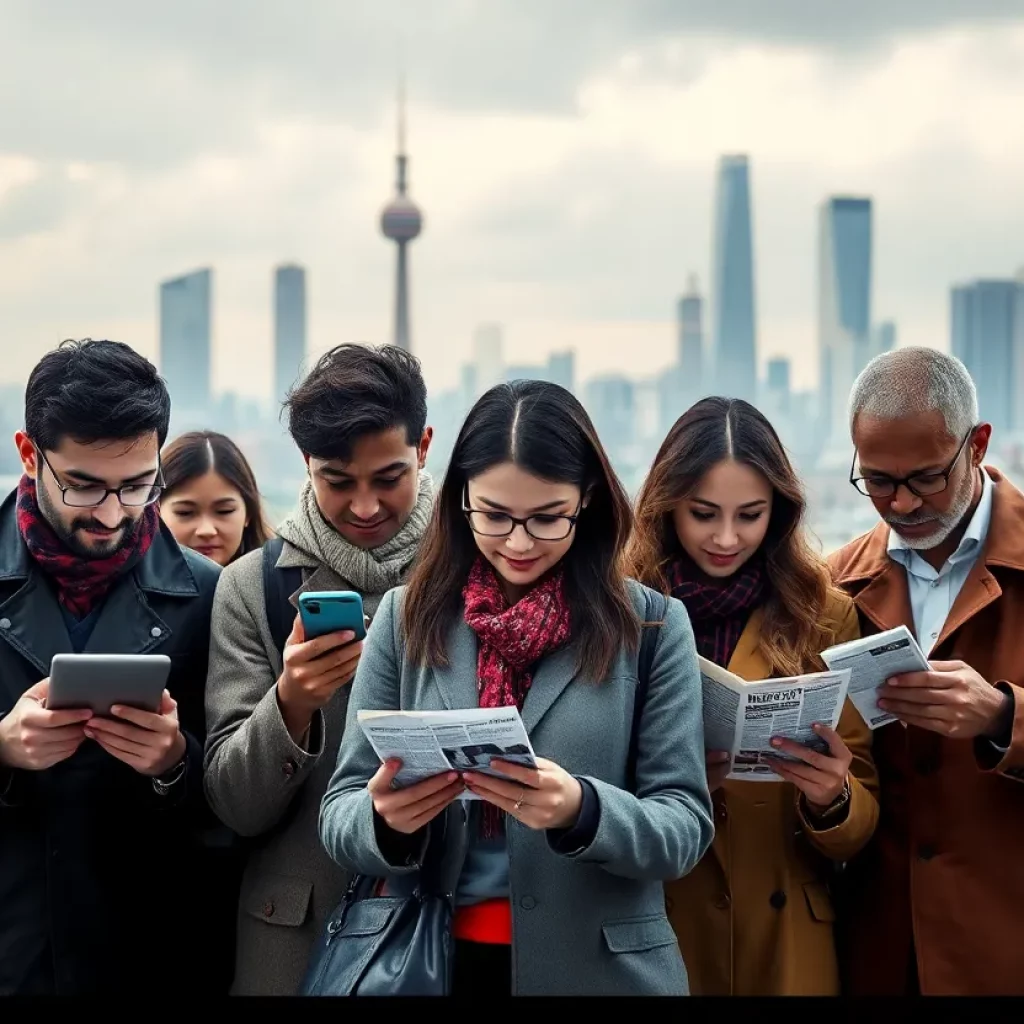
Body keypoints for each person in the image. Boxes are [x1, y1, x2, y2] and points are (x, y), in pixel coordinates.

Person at [319, 380, 715, 997]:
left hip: (599, 971)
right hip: (430, 961)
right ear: (460, 502)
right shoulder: (406, 617)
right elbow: (339, 810)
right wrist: (385, 820)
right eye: (495, 516)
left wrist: (582, 809)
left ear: (586, 501)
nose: (520, 542)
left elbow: (684, 826)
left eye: (547, 518)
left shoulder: (652, 627)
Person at [625, 397, 879, 996]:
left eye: (751, 515)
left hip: (786, 935)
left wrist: (832, 796)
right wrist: (666, 786)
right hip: (664, 923)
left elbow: (863, 816)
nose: (725, 537)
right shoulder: (622, 611)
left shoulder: (824, 614)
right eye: (703, 513)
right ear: (666, 506)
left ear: (780, 512)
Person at [204, 343, 435, 995]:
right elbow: (233, 805)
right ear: (306, 465)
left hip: (438, 919)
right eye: (339, 480)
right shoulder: (253, 588)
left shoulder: (470, 576)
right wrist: (291, 702)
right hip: (297, 938)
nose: (364, 506)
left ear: (424, 446)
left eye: (387, 478)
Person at [0, 339, 222, 995]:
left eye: (137, 486)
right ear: (28, 453)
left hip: (142, 953)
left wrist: (175, 763)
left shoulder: (207, 594)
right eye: (85, 485)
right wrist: (2, 749)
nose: (111, 512)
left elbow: (244, 804)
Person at [830, 346, 1024, 996]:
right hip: (878, 949)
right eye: (878, 481)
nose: (904, 504)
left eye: (926, 478)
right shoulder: (832, 585)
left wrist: (1004, 716)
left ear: (978, 444)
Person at [161, 430, 272, 566]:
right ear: (155, 512)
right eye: (185, 512)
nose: (206, 530)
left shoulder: (283, 582)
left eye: (224, 511)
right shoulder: (130, 585)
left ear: (248, 513)